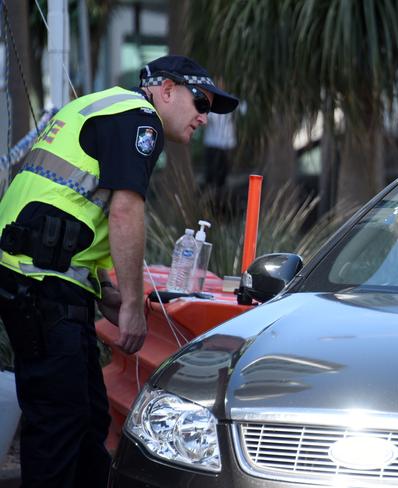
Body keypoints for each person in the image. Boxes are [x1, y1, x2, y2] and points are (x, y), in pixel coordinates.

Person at [0, 55, 238, 487]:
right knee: (60, 423)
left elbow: (79, 209)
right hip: (41, 284)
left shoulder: (105, 105)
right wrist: (130, 304)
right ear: (166, 90)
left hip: (37, 277)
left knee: (88, 416)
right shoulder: (140, 119)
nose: (204, 117)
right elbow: (126, 209)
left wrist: (103, 288)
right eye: (200, 102)